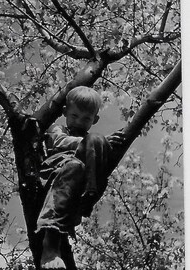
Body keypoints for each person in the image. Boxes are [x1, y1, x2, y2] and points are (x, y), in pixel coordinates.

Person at [36, 86, 125, 269]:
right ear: (65, 112)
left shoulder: (93, 138)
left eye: (86, 119)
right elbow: (59, 142)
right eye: (74, 116)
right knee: (77, 165)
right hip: (58, 175)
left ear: (95, 120)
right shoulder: (57, 129)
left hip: (81, 185)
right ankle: (50, 247)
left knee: (97, 140)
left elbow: (96, 147)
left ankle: (86, 198)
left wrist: (104, 146)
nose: (79, 122)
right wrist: (86, 143)